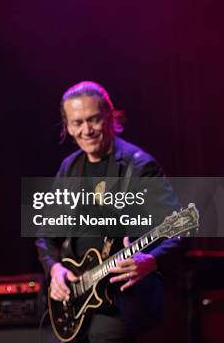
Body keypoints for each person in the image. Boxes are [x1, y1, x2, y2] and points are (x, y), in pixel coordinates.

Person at [36, 81, 181, 342]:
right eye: (77, 122)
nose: (86, 130)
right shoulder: (69, 168)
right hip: (76, 298)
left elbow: (180, 230)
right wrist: (55, 269)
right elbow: (45, 233)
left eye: (93, 120)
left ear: (109, 117)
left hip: (121, 300)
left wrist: (151, 261)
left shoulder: (139, 167)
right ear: (67, 127)